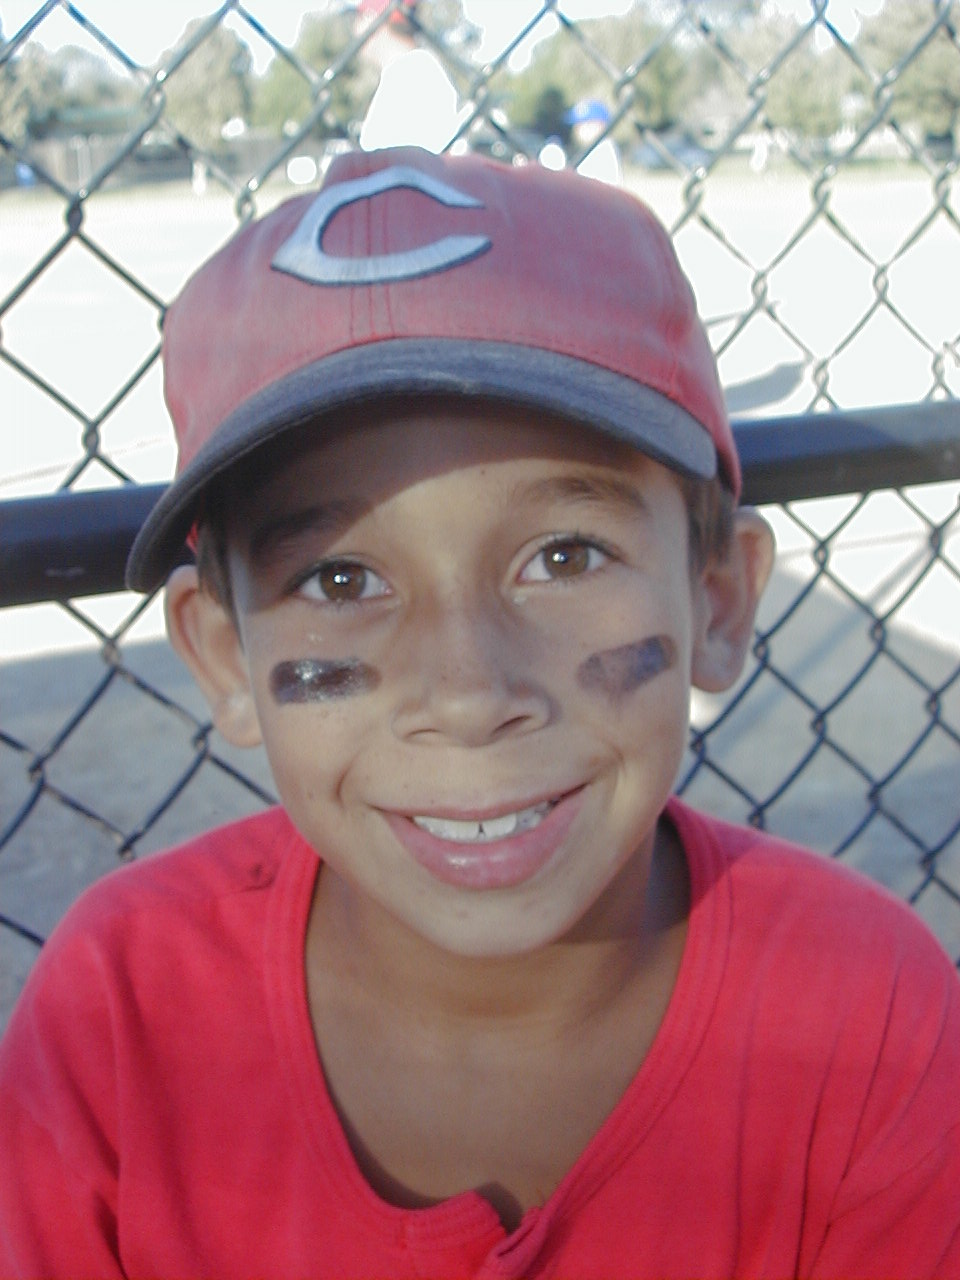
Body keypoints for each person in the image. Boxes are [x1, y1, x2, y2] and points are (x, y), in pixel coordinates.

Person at [1, 146, 958, 1278]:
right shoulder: (119, 1011)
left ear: (716, 599)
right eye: (341, 580)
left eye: (565, 555)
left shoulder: (872, 1020)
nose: (466, 694)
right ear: (224, 659)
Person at [356, 0, 467, 154]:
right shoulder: (410, 69)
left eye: (359, 17)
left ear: (372, 20)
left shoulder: (413, 72)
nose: (355, 29)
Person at [567, 97, 622, 186]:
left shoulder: (603, 151)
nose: (577, 130)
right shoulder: (595, 148)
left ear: (600, 125)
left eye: (584, 125)